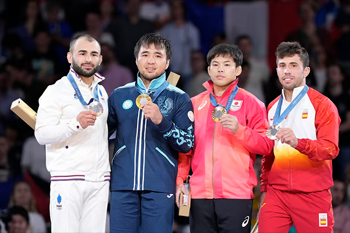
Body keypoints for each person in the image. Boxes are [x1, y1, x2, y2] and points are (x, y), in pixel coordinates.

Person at [176, 43, 273, 233]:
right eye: (215, 64)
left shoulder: (252, 103)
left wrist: (239, 130)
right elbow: (185, 149)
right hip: (199, 195)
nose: (220, 68)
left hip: (236, 194)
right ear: (208, 69)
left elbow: (266, 146)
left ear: (238, 70)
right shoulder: (194, 104)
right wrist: (180, 181)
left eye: (227, 64)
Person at [108, 33, 194, 233]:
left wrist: (162, 121)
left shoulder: (179, 97)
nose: (150, 61)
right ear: (136, 58)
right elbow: (101, 135)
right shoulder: (119, 95)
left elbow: (187, 143)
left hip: (160, 186)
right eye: (145, 54)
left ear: (167, 62)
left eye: (157, 55)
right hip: (123, 185)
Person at [259, 41, 340, 233]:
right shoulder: (271, 108)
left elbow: (331, 149)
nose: (287, 71)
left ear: (306, 71)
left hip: (313, 193)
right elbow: (268, 155)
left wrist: (298, 143)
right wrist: (264, 190)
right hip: (276, 194)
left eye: (293, 66)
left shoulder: (322, 105)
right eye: (282, 66)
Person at [34, 34, 110, 233]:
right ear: (70, 57)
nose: (88, 59)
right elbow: (42, 134)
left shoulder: (101, 93)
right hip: (68, 179)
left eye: (94, 54)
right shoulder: (55, 91)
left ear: (100, 59)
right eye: (82, 53)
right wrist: (74, 124)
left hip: (99, 180)